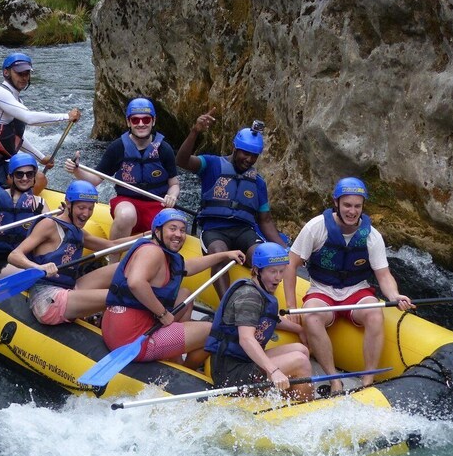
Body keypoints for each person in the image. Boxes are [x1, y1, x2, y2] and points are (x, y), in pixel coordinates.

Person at [284, 177, 414, 393]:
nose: (352, 211)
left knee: (374, 314)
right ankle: (334, 379)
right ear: (336, 202)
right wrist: (291, 306)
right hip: (322, 289)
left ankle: (368, 378)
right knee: (311, 316)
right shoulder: (316, 228)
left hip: (356, 290)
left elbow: (383, 274)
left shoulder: (372, 236)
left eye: (357, 206)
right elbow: (291, 264)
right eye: (347, 205)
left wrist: (394, 296)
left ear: (362, 206)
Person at [101, 208, 245, 370]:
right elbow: (136, 282)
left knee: (185, 295)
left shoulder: (158, 251)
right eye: (172, 228)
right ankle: (186, 369)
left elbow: (188, 267)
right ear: (157, 231)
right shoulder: (152, 252)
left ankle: (175, 355)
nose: (179, 234)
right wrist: (162, 314)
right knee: (216, 331)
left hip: (116, 329)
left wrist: (224, 255)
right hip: (133, 340)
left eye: (183, 230)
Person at [175, 110, 285, 298]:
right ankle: (226, 305)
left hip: (244, 232)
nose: (249, 159)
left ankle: (260, 301)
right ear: (235, 148)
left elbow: (265, 220)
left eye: (254, 156)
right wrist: (195, 131)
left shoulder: (258, 182)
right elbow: (181, 161)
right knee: (220, 253)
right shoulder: (212, 164)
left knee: (262, 255)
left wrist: (283, 250)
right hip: (214, 230)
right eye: (245, 153)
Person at [0, 52, 81, 207]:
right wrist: (66, 116)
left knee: (39, 179)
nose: (24, 77)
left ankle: (14, 214)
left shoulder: (16, 100)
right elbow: (29, 118)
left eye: (27, 73)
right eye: (19, 73)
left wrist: (40, 157)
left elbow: (16, 138)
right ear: (6, 72)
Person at [7, 181, 135, 325]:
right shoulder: (49, 225)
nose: (86, 214)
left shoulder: (77, 231)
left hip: (68, 288)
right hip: (46, 299)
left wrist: (151, 234)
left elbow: (112, 245)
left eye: (90, 208)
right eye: (81, 207)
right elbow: (14, 255)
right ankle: (103, 319)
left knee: (124, 266)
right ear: (68, 203)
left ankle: (98, 315)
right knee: (119, 295)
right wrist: (38, 267)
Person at [64, 97, 179, 257]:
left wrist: (172, 196)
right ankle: (114, 261)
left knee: (174, 225)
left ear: (153, 121)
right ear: (128, 122)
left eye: (146, 119)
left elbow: (174, 184)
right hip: (127, 202)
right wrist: (76, 171)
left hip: (157, 204)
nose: (141, 124)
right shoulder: (118, 147)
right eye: (135, 120)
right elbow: (96, 180)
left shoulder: (164, 149)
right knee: (126, 214)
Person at [205, 243, 313, 401]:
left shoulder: (260, 291)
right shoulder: (249, 297)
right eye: (272, 271)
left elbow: (272, 318)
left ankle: (287, 397)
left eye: (282, 271)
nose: (278, 277)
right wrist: (273, 370)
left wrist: (300, 329)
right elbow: (246, 339)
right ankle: (305, 406)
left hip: (246, 361)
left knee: (301, 350)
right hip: (231, 373)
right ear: (257, 270)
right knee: (301, 361)